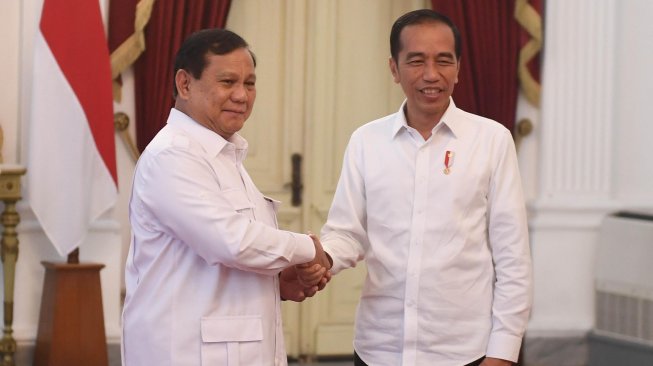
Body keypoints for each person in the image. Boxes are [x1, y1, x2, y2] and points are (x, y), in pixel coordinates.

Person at [299, 9, 532, 366]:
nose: (431, 75)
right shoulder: (366, 141)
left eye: (443, 61)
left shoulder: (492, 141)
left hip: (464, 351)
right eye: (416, 61)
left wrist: (503, 351)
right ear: (394, 68)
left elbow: (513, 257)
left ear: (459, 67)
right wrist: (323, 259)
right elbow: (347, 233)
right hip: (379, 348)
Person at [121, 28, 330, 366]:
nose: (242, 96)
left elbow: (212, 265)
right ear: (184, 84)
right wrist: (306, 248)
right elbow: (230, 240)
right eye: (228, 82)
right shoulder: (172, 155)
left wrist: (278, 281)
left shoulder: (222, 154)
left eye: (249, 84)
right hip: (184, 353)